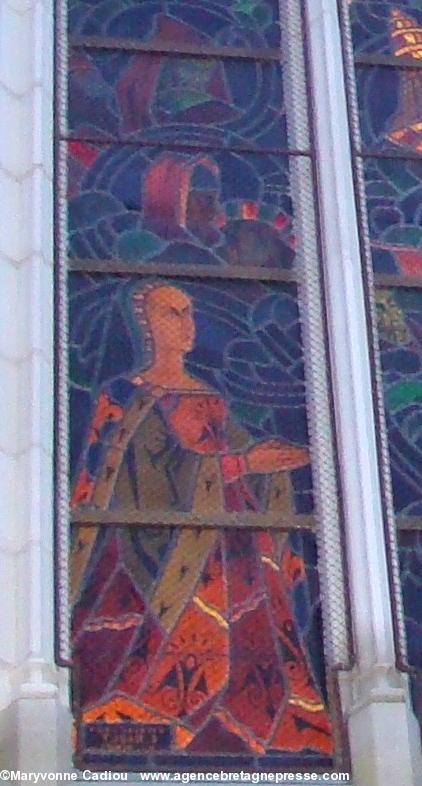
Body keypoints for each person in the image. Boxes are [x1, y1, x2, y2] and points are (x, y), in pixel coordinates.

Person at [70, 281, 332, 758]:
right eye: (172, 314)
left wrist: (275, 464)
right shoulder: (129, 395)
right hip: (161, 556)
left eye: (189, 313)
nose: (187, 325)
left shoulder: (208, 394)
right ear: (144, 324)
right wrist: (244, 465)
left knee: (253, 650)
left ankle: (256, 724)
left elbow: (238, 453)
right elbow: (146, 482)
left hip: (234, 543)